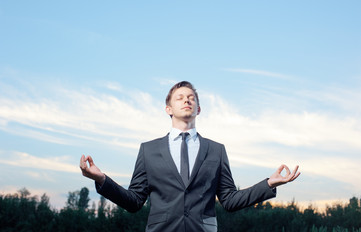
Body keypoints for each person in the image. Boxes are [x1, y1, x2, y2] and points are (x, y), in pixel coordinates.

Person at [80, 81, 300, 232]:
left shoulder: (216, 150)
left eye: (191, 98)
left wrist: (269, 183)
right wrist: (102, 180)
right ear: (168, 109)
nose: (187, 100)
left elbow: (230, 200)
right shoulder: (148, 150)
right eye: (180, 98)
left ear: (199, 109)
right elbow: (135, 201)